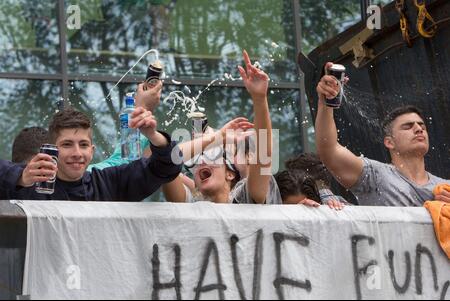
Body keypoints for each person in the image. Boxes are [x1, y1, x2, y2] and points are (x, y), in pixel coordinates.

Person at [315, 62, 450, 206]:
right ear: (389, 142)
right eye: (407, 126)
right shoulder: (373, 176)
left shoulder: (446, 187)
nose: (418, 129)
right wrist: (325, 104)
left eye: (422, 125)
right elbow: (329, 150)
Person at [162, 50, 282, 204]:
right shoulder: (189, 203)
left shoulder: (244, 200)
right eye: (198, 159)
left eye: (213, 155)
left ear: (230, 174)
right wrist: (217, 138)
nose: (201, 162)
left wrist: (259, 98)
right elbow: (165, 162)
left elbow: (263, 154)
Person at [0, 106, 182, 201]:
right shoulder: (31, 186)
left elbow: (167, 167)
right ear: (52, 150)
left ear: (92, 150)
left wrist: (153, 135)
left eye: (83, 144)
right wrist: (20, 177)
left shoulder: (109, 182)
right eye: (67, 144)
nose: (77, 153)